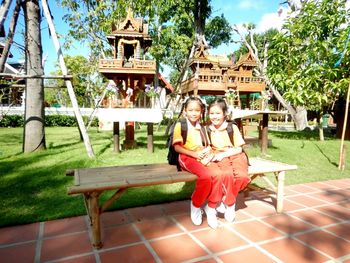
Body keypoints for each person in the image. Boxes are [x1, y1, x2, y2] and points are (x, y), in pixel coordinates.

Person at [172, 96, 222, 229]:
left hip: (202, 156)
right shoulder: (180, 125)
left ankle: (211, 207)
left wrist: (207, 151)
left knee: (218, 174)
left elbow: (207, 144)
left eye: (197, 110)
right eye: (190, 110)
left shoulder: (203, 127)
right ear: (185, 111)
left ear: (201, 112)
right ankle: (196, 204)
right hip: (187, 156)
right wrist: (195, 154)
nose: (194, 113)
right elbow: (177, 147)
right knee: (205, 177)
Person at [207, 98, 250, 222]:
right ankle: (231, 205)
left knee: (242, 177)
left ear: (225, 113)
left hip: (235, 154)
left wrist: (226, 153)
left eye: (218, 113)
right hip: (219, 157)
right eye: (211, 113)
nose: (214, 116)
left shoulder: (231, 127)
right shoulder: (208, 129)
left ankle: (226, 198)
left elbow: (239, 148)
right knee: (227, 175)